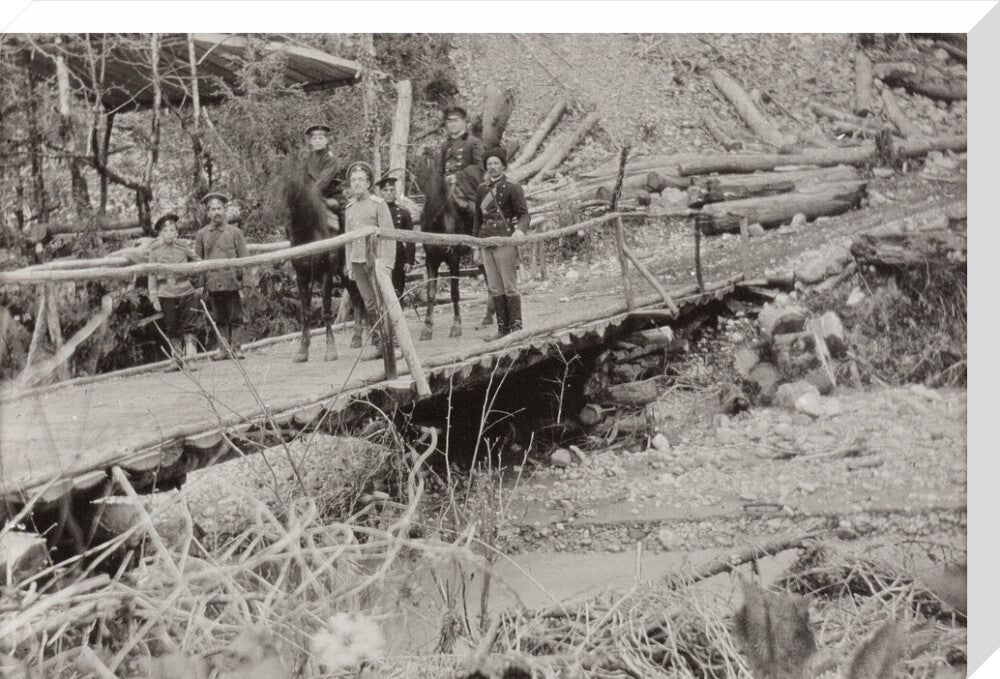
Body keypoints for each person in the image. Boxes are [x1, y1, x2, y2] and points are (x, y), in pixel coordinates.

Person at [343, 162, 397, 361]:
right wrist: (349, 265)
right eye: (353, 180)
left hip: (376, 262)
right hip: (358, 262)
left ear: (368, 183)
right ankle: (378, 343)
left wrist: (387, 264)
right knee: (369, 303)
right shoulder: (349, 208)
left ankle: (393, 343)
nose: (356, 184)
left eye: (360, 180)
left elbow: (389, 236)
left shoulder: (378, 204)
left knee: (383, 301)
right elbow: (347, 238)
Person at [474, 147, 530, 339]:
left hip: (505, 240)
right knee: (495, 287)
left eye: (496, 163)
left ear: (503, 166)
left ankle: (516, 329)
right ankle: (502, 329)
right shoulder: (482, 189)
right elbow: (477, 219)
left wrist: (520, 230)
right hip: (485, 241)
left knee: (509, 285)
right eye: (489, 164)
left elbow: (524, 214)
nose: (492, 167)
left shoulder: (512, 186)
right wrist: (475, 245)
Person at [194, 192, 249, 360]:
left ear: (225, 210)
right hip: (213, 283)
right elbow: (199, 262)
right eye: (212, 209)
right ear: (208, 213)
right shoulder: (202, 234)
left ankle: (237, 348)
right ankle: (224, 349)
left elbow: (244, 258)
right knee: (219, 318)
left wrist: (245, 284)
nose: (216, 212)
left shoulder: (235, 232)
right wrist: (200, 284)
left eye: (219, 208)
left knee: (236, 317)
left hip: (232, 281)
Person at [148, 213, 200, 369]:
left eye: (172, 230)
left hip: (186, 290)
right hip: (166, 293)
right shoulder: (155, 251)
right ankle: (176, 359)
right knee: (171, 326)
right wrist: (154, 296)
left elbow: (197, 262)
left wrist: (195, 278)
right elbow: (151, 273)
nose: (169, 233)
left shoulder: (183, 247)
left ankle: (191, 359)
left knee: (189, 325)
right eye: (166, 231)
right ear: (160, 234)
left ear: (177, 233)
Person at [376, 175, 415, 300]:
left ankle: (398, 318)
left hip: (398, 256)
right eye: (385, 191)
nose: (389, 193)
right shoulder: (375, 211)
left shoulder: (403, 212)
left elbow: (410, 237)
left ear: (395, 192)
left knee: (397, 291)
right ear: (380, 193)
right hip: (379, 255)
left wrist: (409, 260)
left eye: (392, 190)